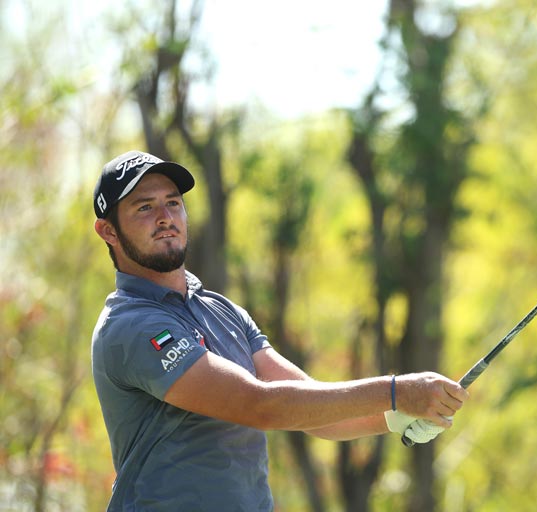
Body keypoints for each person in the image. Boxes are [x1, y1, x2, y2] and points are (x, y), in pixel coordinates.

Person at [90, 150, 469, 511]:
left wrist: (395, 413)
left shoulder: (222, 311)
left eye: (173, 202)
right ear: (108, 231)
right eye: (144, 207)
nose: (165, 217)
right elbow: (260, 406)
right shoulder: (131, 325)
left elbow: (312, 407)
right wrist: (396, 391)